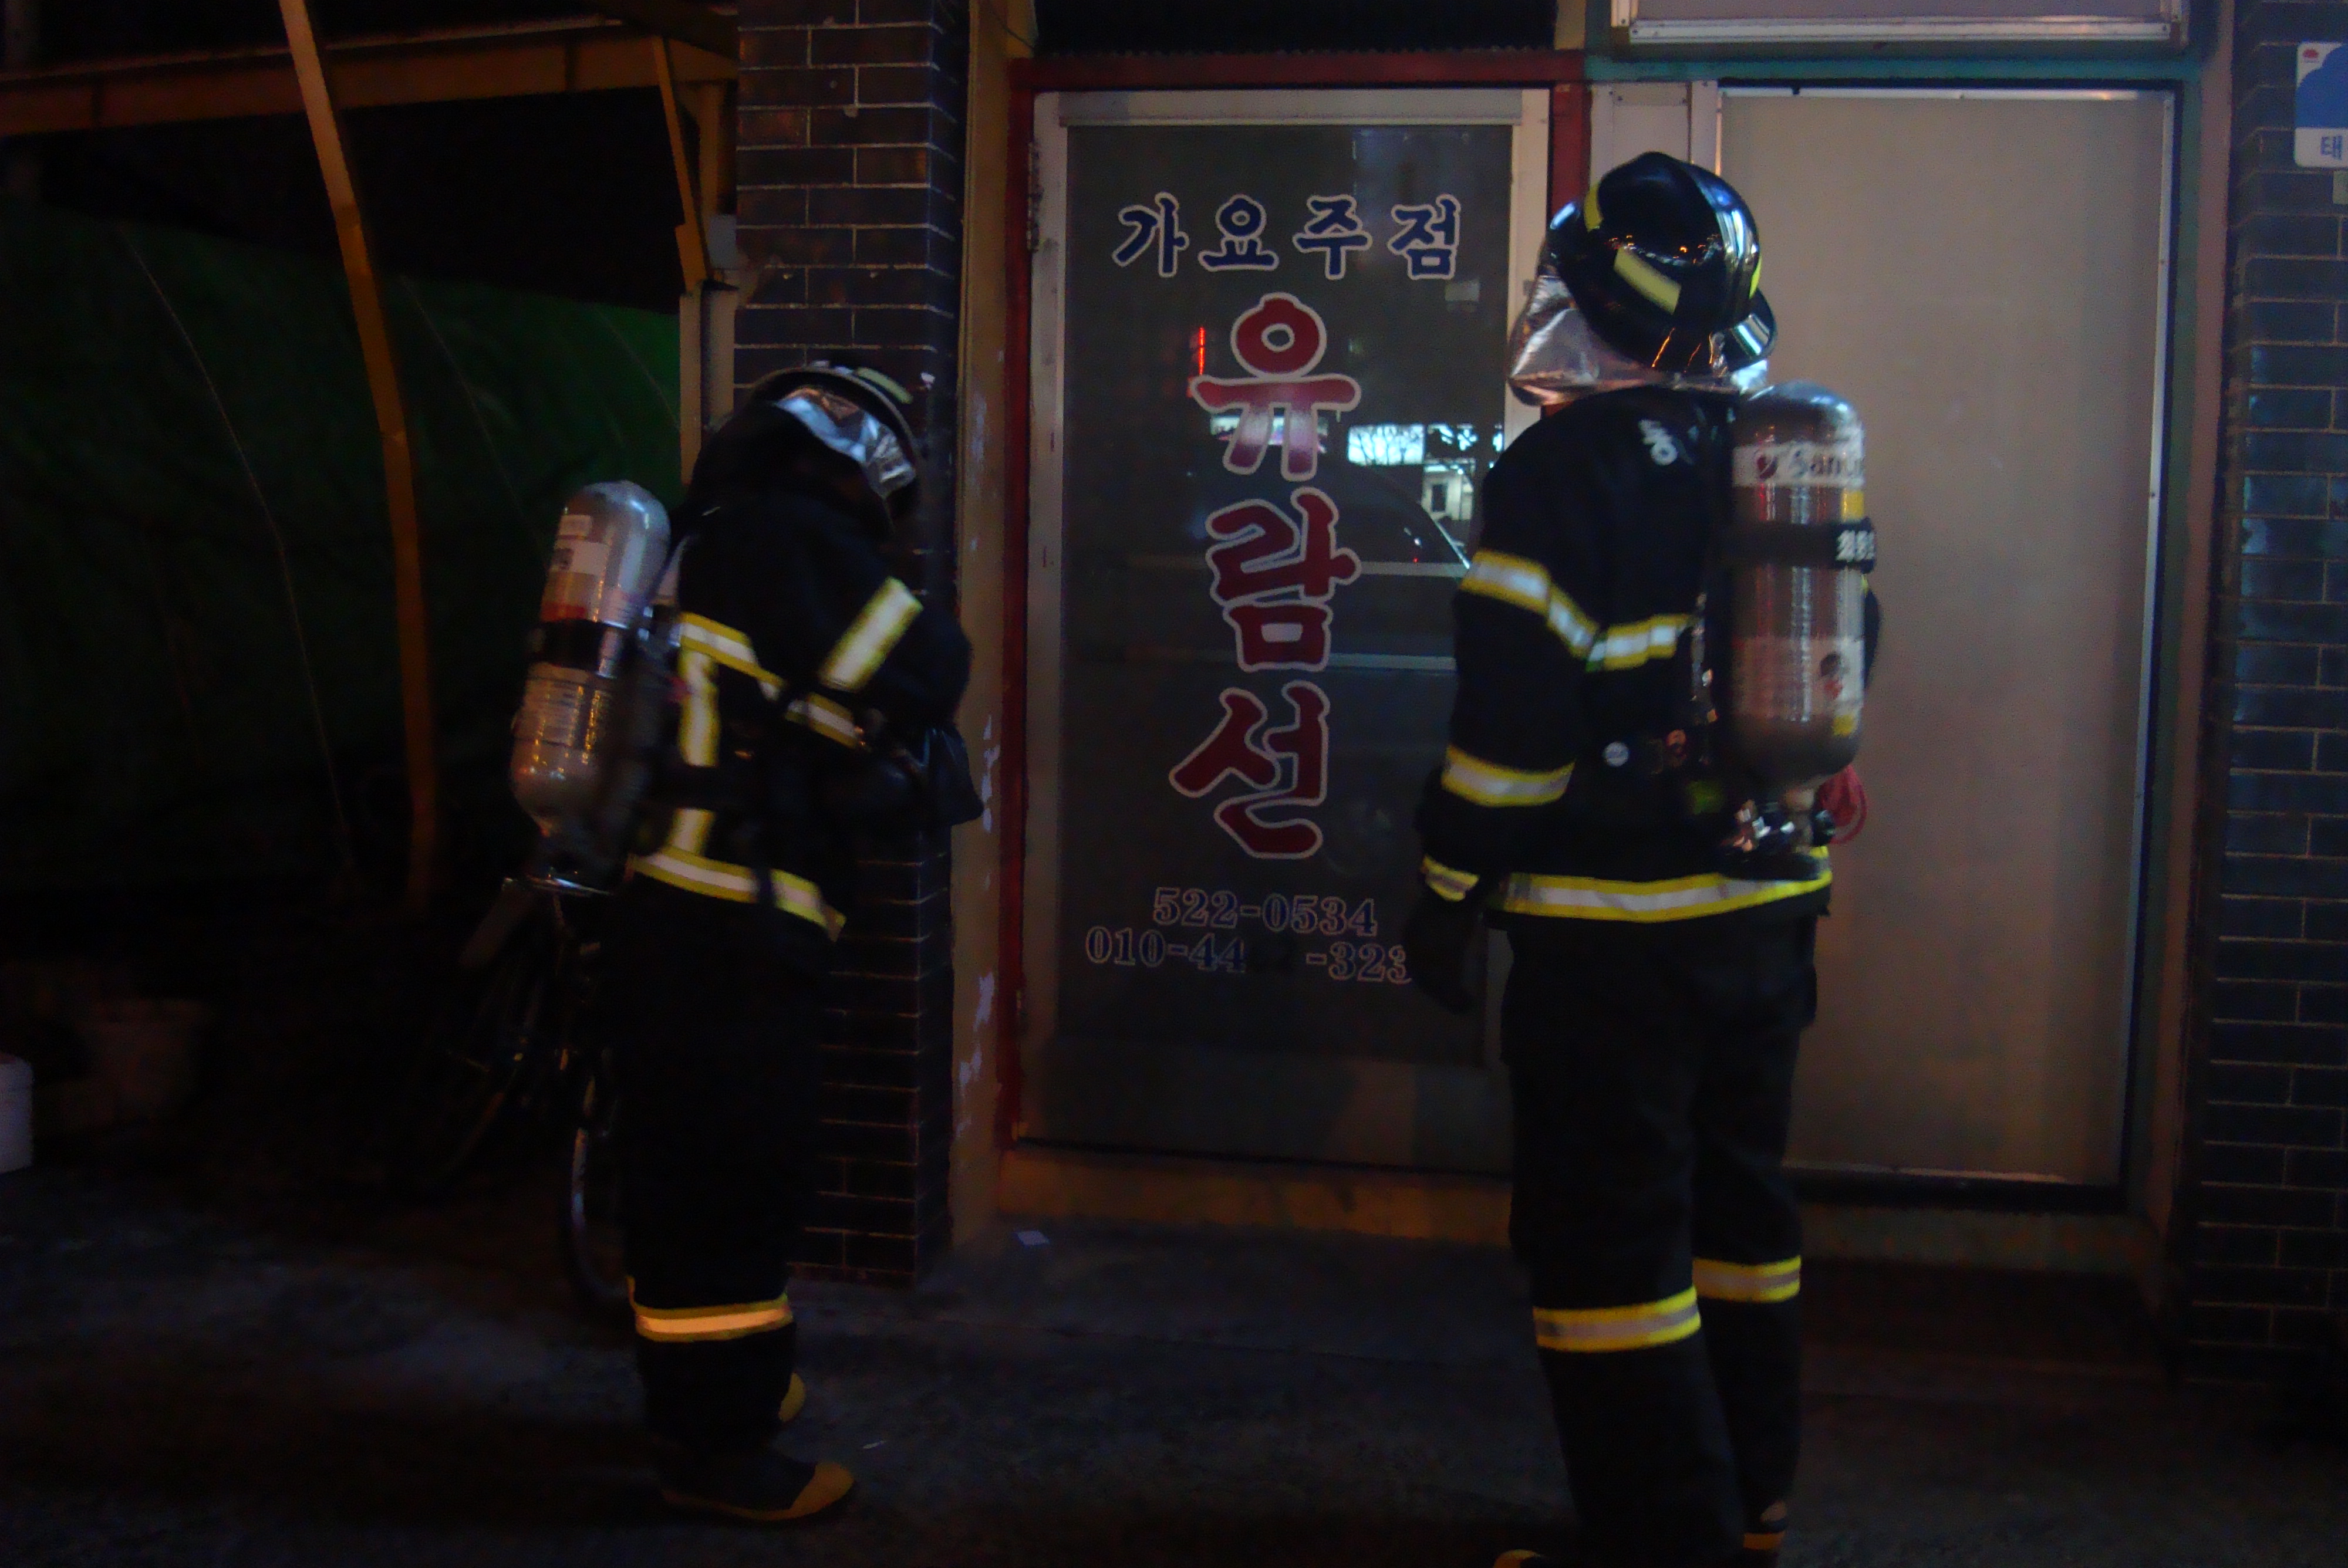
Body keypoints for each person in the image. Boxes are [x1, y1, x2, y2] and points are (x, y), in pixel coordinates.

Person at [1403, 153, 1875, 1568]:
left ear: (1594, 300)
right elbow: (1847, 656)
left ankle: (1658, 1542)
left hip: (1612, 938)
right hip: (1767, 914)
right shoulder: (1777, 454)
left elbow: (1510, 733)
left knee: (1607, 1246)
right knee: (1739, 1212)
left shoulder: (1560, 469)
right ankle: (1748, 1501)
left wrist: (1446, 882)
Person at [595, 361, 971, 1522]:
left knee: (685, 1178)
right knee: (733, 1188)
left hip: (667, 912)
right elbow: (925, 666)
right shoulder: (788, 542)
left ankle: (709, 1394)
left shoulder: (706, 543)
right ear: (860, 464)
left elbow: (778, 710)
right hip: (731, 928)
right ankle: (720, 1452)